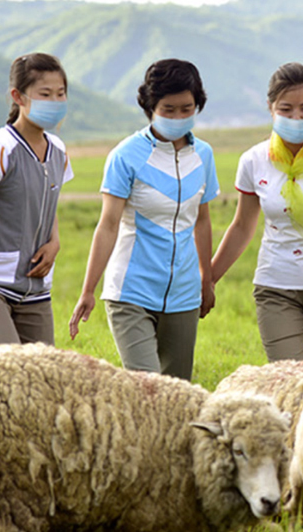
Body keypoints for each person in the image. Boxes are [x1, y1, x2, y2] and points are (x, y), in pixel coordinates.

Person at [68, 59, 218, 380]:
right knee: (146, 388)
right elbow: (108, 225)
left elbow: (202, 220)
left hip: (184, 295)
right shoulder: (125, 155)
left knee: (177, 393)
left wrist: (206, 279)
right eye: (168, 110)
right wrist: (88, 289)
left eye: (186, 109)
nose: (178, 117)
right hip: (131, 292)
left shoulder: (203, 155)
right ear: (150, 108)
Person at [210, 62, 303, 362]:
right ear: (270, 108)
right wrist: (208, 279)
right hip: (276, 284)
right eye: (286, 109)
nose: (296, 118)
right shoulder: (253, 160)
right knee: (286, 373)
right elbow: (242, 226)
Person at [0, 52, 72, 347]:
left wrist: (55, 241)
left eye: (60, 94)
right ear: (18, 97)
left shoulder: (58, 151)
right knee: (10, 369)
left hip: (35, 290)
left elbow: (48, 201)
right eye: (45, 94)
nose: (55, 101)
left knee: (44, 371)